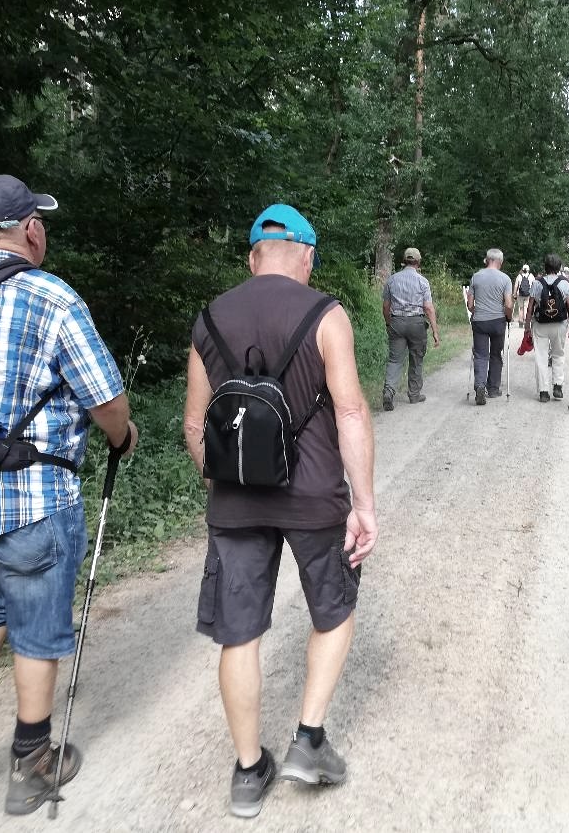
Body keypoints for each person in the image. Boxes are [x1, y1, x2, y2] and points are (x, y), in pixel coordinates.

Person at [0, 174, 138, 815]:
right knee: (38, 627)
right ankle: (32, 761)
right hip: (31, 497)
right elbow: (105, 398)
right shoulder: (50, 297)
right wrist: (122, 437)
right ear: (30, 229)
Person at [183, 203, 378, 820]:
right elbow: (350, 411)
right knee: (334, 610)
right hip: (315, 496)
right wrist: (364, 503)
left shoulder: (209, 318)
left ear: (252, 257)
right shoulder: (325, 314)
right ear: (308, 257)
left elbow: (195, 425)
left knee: (238, 631)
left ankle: (248, 773)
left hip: (235, 503)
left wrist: (225, 479)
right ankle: (308, 740)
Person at [381, 246, 441, 410]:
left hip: (397, 322)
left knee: (395, 360)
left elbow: (386, 307)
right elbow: (428, 307)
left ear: (404, 261)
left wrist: (389, 323)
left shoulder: (392, 280)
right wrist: (435, 331)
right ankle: (414, 394)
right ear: (418, 262)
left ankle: (388, 392)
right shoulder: (423, 281)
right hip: (416, 324)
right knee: (416, 358)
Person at [524, 253, 569, 402]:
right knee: (558, 354)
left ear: (545, 266)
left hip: (540, 324)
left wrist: (527, 326)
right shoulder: (564, 283)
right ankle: (558, 386)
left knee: (541, 357)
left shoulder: (537, 283)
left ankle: (543, 391)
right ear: (559, 267)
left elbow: (530, 307)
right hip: (559, 324)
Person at [467, 248, 513, 405]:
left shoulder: (476, 277)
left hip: (480, 321)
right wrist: (508, 317)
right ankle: (493, 389)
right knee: (495, 354)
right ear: (500, 261)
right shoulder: (505, 279)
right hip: (497, 321)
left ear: (487, 260)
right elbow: (508, 304)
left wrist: (477, 312)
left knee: (480, 355)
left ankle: (480, 385)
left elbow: (470, 304)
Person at [512, 263, 535, 328]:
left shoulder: (519, 276)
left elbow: (516, 285)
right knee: (526, 307)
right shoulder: (531, 276)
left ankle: (520, 321)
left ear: (522, 269)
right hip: (528, 294)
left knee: (521, 308)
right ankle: (525, 320)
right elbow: (534, 285)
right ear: (528, 270)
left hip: (520, 294)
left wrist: (514, 294)